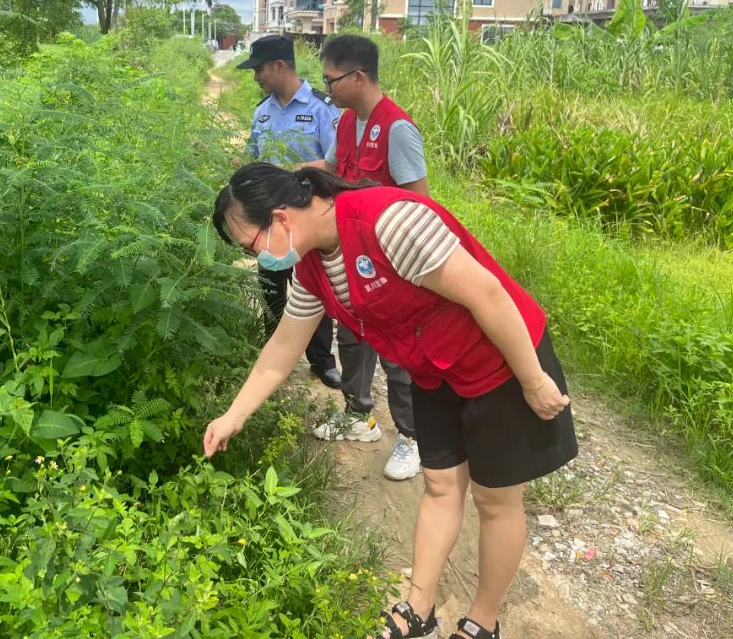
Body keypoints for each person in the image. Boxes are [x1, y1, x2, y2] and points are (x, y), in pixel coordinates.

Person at [204, 162, 578, 639]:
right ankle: (419, 608)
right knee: (440, 485)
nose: (256, 257)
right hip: (434, 368)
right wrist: (234, 414)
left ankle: (484, 621)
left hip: (501, 359)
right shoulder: (314, 264)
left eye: (250, 245)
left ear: (280, 218)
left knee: (495, 499)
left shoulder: (389, 222)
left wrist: (533, 379)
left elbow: (487, 293)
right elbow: (284, 345)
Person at [301, 34, 427, 482]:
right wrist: (292, 173)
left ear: (357, 77)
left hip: (392, 263)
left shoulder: (397, 129)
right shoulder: (345, 122)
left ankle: (414, 437)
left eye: (330, 79)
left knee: (398, 352)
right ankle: (359, 416)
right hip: (353, 257)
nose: (326, 89)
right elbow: (334, 169)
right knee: (353, 338)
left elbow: (420, 204)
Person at [238, 34, 342, 388]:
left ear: (280, 65)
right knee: (271, 285)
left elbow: (336, 163)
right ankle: (274, 357)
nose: (256, 77)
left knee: (311, 286)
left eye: (260, 69)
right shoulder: (262, 112)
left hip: (307, 218)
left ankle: (321, 360)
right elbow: (253, 157)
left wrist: (290, 171)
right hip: (269, 218)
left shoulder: (321, 108)